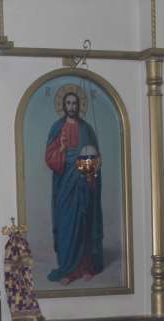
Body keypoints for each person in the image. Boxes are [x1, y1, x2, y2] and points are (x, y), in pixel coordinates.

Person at [45, 90, 104, 286]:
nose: (72, 106)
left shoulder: (87, 129)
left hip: (82, 183)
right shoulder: (57, 128)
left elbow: (96, 158)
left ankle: (85, 266)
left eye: (75, 103)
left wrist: (91, 170)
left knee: (83, 220)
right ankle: (68, 269)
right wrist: (62, 148)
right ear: (63, 105)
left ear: (79, 106)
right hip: (65, 183)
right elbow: (50, 158)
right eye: (68, 103)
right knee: (66, 222)